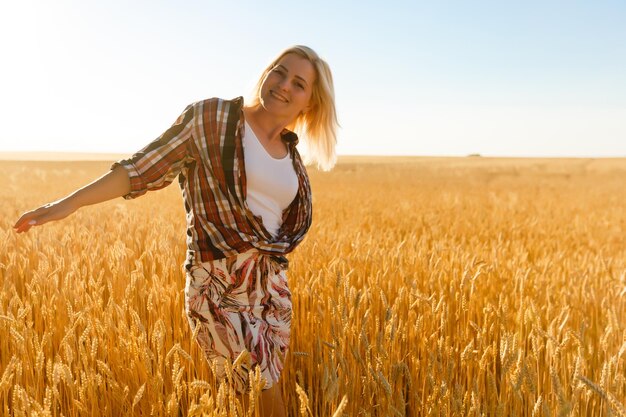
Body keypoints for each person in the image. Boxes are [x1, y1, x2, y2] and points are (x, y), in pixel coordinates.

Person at [13, 45, 338, 417]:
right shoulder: (210, 119)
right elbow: (143, 168)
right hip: (216, 281)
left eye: (298, 83)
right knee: (261, 392)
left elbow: (284, 229)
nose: (283, 85)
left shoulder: (291, 156)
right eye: (279, 72)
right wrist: (68, 204)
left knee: (262, 397)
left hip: (270, 289)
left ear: (309, 103)